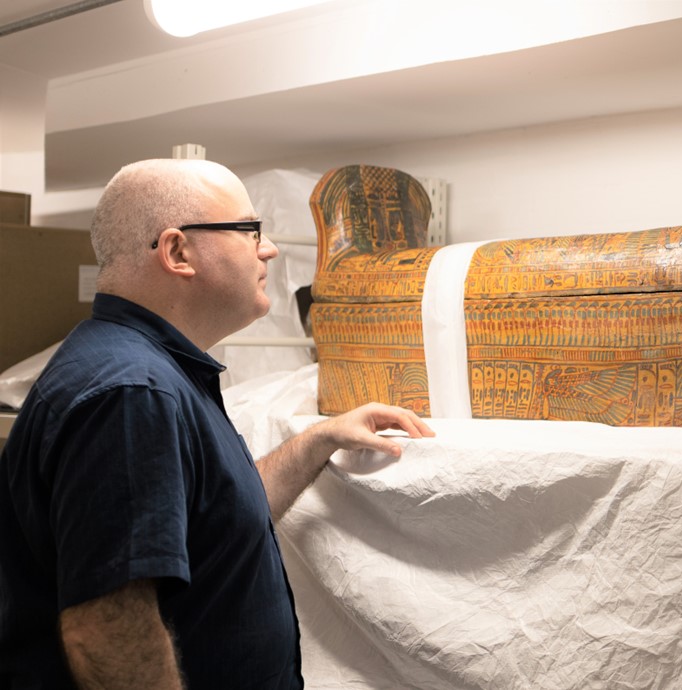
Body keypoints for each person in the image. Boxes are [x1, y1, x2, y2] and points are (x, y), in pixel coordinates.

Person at [0, 159, 435, 689]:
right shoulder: (131, 394)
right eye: (249, 231)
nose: (269, 249)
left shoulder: (149, 371)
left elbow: (217, 517)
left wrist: (320, 437)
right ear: (179, 251)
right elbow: (108, 631)